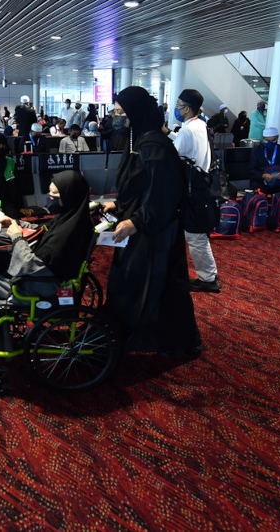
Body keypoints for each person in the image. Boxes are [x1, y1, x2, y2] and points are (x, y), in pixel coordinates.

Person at [0, 171, 94, 360]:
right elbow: (44, 233)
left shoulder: (68, 233)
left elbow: (30, 265)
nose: (49, 198)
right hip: (44, 277)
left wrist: (16, 236)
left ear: (68, 195)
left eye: (54, 194)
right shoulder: (72, 218)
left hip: (41, 285)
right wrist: (16, 223)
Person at [102, 86, 202, 357]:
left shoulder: (154, 145)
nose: (115, 116)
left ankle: (148, 338)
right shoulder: (138, 140)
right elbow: (139, 185)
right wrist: (120, 205)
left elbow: (164, 193)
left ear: (135, 113)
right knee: (134, 282)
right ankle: (127, 332)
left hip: (155, 231)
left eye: (120, 112)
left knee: (152, 284)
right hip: (143, 226)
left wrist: (136, 221)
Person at [173, 89, 220, 293]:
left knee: (195, 235)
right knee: (195, 233)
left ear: (188, 108)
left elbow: (175, 154)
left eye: (179, 105)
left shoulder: (188, 130)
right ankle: (208, 276)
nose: (176, 108)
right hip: (201, 184)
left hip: (192, 188)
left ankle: (208, 278)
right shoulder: (200, 125)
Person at [250, 127, 280, 194]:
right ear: (263, 138)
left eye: (273, 140)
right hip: (261, 181)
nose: (271, 143)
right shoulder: (257, 150)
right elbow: (252, 169)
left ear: (277, 137)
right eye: (267, 140)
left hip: (279, 181)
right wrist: (262, 175)